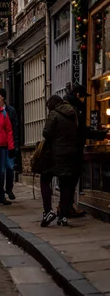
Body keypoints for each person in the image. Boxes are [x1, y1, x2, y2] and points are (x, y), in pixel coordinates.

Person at [40, 95, 80, 227]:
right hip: (71, 154)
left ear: (52, 105)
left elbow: (46, 133)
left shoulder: (54, 114)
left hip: (54, 154)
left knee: (45, 179)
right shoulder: (73, 113)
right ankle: (62, 216)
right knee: (66, 185)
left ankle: (48, 211)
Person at [63, 83, 90, 217]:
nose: (84, 100)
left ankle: (65, 208)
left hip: (65, 150)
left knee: (67, 181)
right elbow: (80, 131)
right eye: (83, 97)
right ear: (78, 95)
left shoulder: (66, 107)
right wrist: (100, 134)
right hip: (73, 150)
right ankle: (66, 209)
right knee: (71, 180)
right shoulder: (74, 110)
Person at [0, 88, 19, 201]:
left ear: (3, 98)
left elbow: (15, 128)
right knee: (0, 170)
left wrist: (15, 145)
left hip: (9, 144)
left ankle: (9, 188)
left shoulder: (11, 110)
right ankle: (0, 191)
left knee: (10, 167)